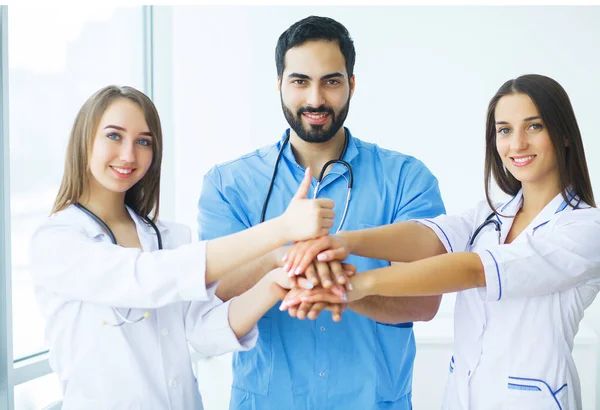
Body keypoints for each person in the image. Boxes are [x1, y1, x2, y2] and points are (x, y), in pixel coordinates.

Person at [282, 74, 600, 410]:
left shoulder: (585, 228)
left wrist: (352, 285)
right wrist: (340, 243)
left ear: (564, 134)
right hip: (463, 398)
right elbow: (428, 238)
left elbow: (474, 270)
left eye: (534, 127)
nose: (517, 144)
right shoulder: (489, 215)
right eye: (504, 130)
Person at [29, 85, 342, 410]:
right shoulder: (58, 240)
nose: (128, 155)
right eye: (114, 136)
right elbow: (146, 279)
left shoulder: (169, 236)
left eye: (143, 141)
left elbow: (202, 332)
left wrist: (274, 283)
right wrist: (279, 230)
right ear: (85, 140)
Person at [197, 16, 445, 409]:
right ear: (278, 84)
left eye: (331, 81)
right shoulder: (229, 185)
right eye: (299, 81)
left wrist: (340, 291)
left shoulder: (406, 179)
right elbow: (217, 290)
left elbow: (425, 300)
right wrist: (284, 258)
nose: (315, 99)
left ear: (352, 85)